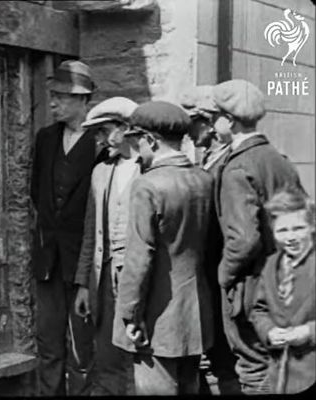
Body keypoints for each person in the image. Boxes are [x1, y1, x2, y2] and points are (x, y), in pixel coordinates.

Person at [113, 101, 215, 395]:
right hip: (195, 316)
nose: (138, 151)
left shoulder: (147, 185)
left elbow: (138, 258)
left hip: (157, 319)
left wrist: (130, 316)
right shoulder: (204, 179)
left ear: (150, 140)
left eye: (138, 142)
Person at [211, 79, 305, 394]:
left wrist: (223, 276)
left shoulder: (238, 168)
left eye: (216, 117)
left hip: (251, 287)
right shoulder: (279, 160)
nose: (212, 124)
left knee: (253, 369)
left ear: (230, 121)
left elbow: (243, 240)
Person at [30, 59, 100, 396]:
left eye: (61, 96)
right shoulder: (46, 139)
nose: (53, 102)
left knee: (81, 350)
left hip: (83, 263)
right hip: (49, 260)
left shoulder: (101, 144)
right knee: (48, 344)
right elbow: (36, 193)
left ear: (84, 100)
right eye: (52, 95)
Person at [73, 96, 140, 396]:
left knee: (138, 363)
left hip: (138, 283)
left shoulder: (149, 169)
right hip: (103, 284)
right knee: (108, 358)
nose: (99, 139)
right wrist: (83, 285)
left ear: (126, 128)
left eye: (104, 131)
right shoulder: (101, 172)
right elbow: (90, 232)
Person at [180, 86, 240, 395]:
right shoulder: (206, 162)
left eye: (193, 123)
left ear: (211, 123)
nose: (188, 132)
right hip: (206, 275)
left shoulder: (229, 165)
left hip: (222, 277)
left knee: (226, 359)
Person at [250, 189, 316, 394]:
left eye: (298, 228)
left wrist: (309, 332)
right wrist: (268, 331)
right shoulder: (272, 265)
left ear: (312, 227)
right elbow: (258, 309)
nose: (291, 237)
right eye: (283, 230)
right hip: (281, 374)